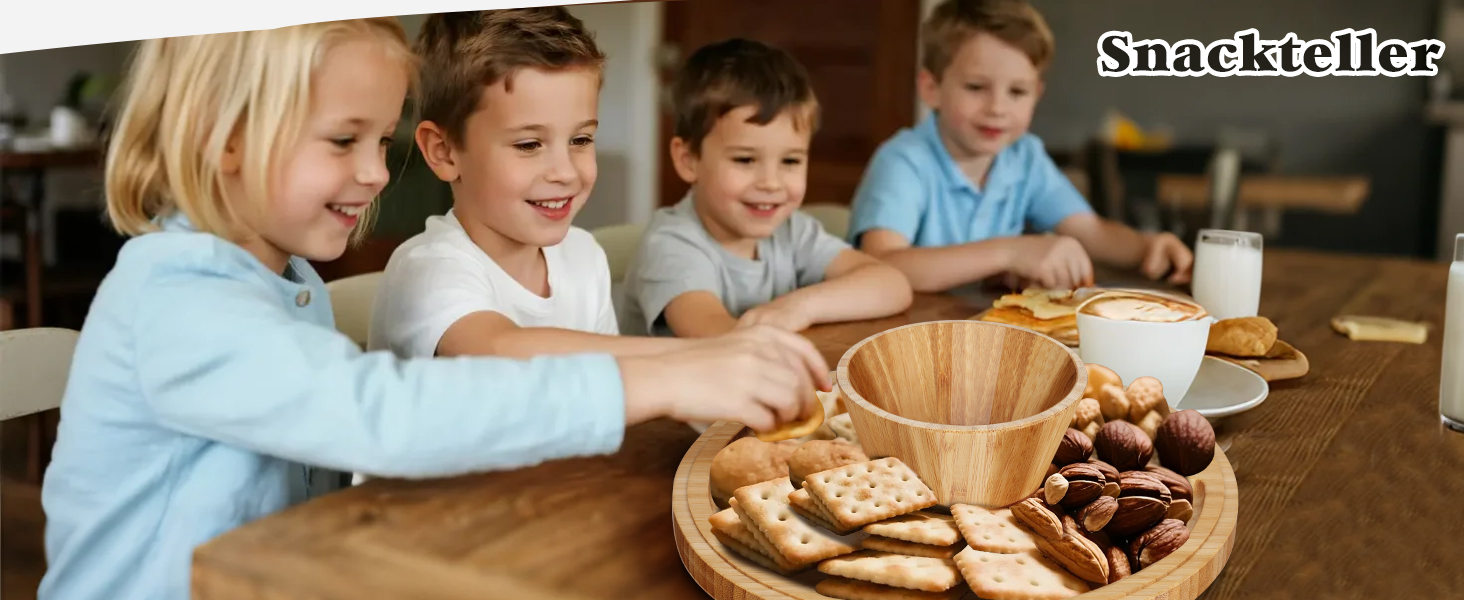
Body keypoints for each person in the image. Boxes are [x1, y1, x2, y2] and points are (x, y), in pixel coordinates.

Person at [38, 19, 829, 600]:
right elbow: (378, 413)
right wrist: (672, 374)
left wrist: (695, 366)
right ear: (225, 137)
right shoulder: (177, 300)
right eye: (343, 141)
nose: (377, 174)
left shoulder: (284, 279)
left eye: (380, 142)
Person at [370, 9, 690, 360]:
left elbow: (613, 379)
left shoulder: (584, 256)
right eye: (529, 145)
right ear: (444, 152)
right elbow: (498, 351)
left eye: (581, 139)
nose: (565, 172)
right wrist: (697, 355)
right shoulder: (426, 270)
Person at [847, 0, 1193, 293]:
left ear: (1036, 95)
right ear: (931, 88)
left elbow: (1092, 232)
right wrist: (1011, 253)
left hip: (980, 330)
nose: (997, 108)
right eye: (976, 87)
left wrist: (1146, 246)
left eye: (1017, 92)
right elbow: (883, 265)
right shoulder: (904, 160)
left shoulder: (1024, 157)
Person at [620, 38, 913, 339]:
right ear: (688, 160)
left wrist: (800, 307)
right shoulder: (671, 246)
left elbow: (893, 285)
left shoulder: (793, 232)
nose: (771, 183)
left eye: (790, 161)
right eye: (745, 159)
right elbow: (721, 340)